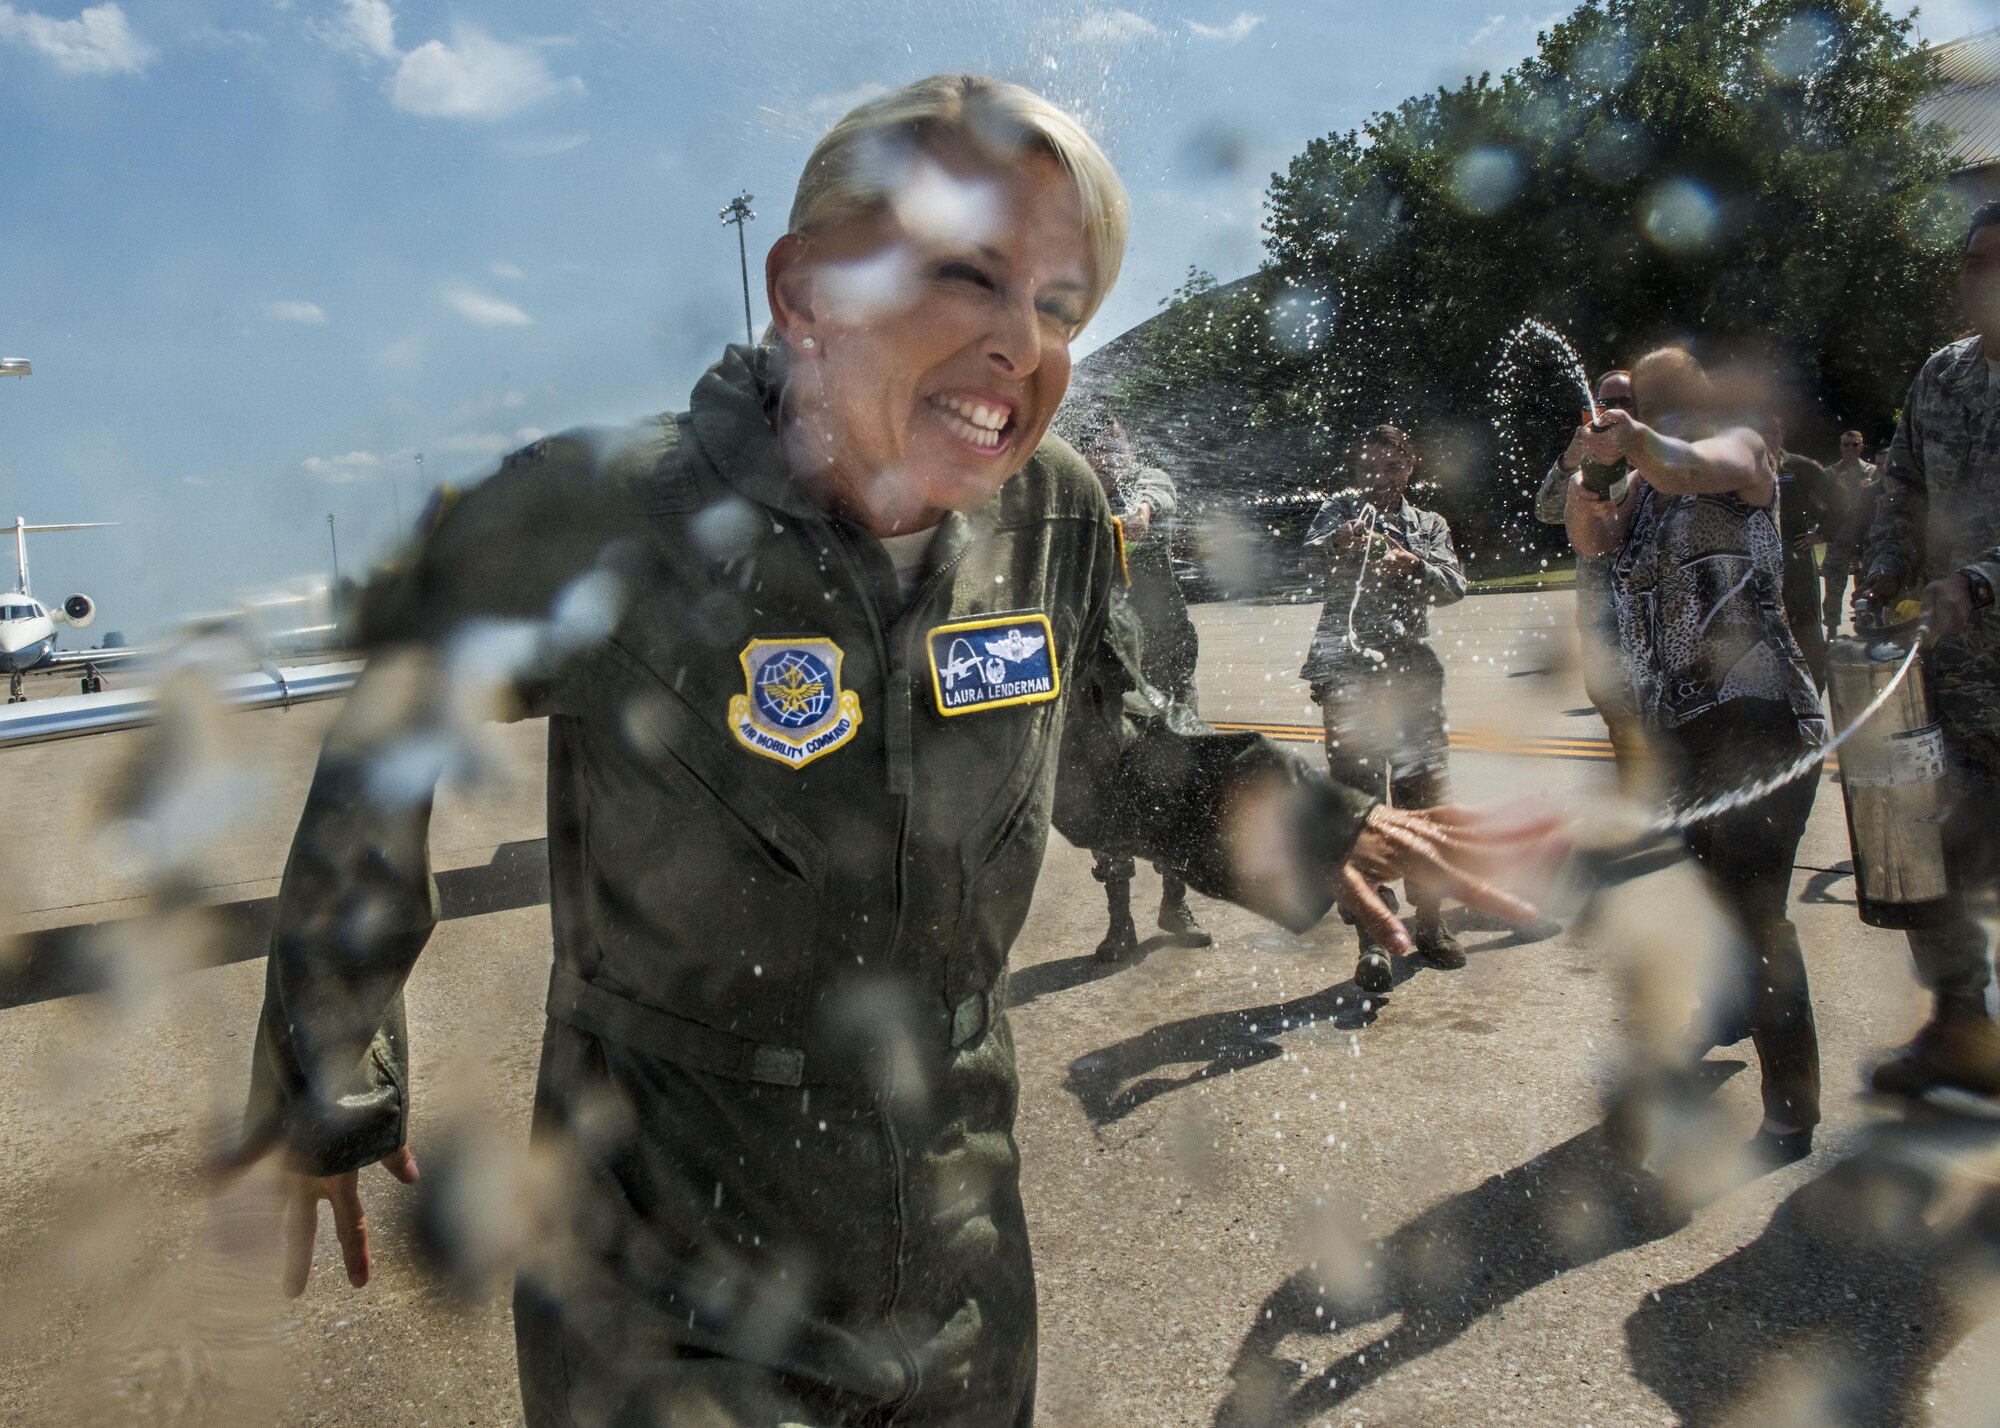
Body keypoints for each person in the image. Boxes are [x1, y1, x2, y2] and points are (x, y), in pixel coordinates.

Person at [230, 75, 1552, 1428]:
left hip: (959, 1252)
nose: (1018, 348)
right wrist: (331, 1065)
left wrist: (1311, 825)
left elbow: (1103, 751)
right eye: (968, 279)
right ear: (805, 293)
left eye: (1057, 310)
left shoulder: (1052, 512)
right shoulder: (608, 513)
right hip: (663, 1268)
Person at [1567, 346, 1827, 1163]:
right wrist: (1590, 471)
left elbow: (1686, 466)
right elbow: (1589, 538)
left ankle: (1792, 1111)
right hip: (1675, 737)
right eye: (1645, 396)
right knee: (1697, 911)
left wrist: (1638, 441)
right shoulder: (1639, 489)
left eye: (1670, 395)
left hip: (1759, 725)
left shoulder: (1741, 450)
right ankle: (1727, 1015)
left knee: (1754, 916)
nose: (1655, 408)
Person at [1854, 200, 2000, 1099]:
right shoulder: (1941, 376)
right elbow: (1901, 485)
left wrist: (1981, 582)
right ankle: (1962, 1028)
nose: (1987, 278)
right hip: (1943, 672)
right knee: (1925, 845)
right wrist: (1879, 571)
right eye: (1977, 262)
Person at [1301, 424, 1470, 995]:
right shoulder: (1335, 513)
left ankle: (1430, 921)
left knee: (1425, 804)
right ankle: (1372, 940)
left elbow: (1454, 586)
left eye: (1392, 466)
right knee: (1359, 810)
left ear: (1410, 468)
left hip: (1413, 681)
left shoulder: (1428, 525)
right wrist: (1339, 543)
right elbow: (1302, 566)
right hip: (1350, 679)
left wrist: (1411, 566)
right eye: (1370, 467)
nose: (1380, 477)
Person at [1062, 405, 1212, 960]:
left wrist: (1140, 512)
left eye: (1120, 440)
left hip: (1169, 662)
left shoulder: (1146, 482)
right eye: (1104, 443)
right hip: (1106, 670)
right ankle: (1119, 921)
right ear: (1087, 452)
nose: (1116, 451)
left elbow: (1157, 494)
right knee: (1112, 790)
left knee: (1181, 780)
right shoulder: (1075, 501)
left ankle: (1175, 903)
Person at [1535, 369, 1650, 791]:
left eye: (1624, 402)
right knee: (1614, 710)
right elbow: (1546, 510)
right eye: (1606, 402)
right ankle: (1636, 799)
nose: (1613, 410)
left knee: (1662, 719)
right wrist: (1570, 457)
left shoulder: (1658, 457)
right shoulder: (1587, 459)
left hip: (1653, 613)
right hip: (1602, 613)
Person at [1766, 415, 1835, 688]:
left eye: (1773, 431)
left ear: (1782, 433)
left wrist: (1821, 534)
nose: (1767, 437)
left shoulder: (1802, 468)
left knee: (1805, 630)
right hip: (1759, 563)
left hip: (1795, 560)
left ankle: (1815, 689)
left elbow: (1841, 505)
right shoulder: (1742, 469)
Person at [1820, 430, 1875, 639]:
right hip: (1838, 538)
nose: (1850, 449)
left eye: (1854, 444)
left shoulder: (1871, 472)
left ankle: (1866, 629)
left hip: (1864, 537)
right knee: (1833, 585)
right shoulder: (1830, 474)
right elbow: (1820, 505)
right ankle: (1832, 630)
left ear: (1862, 446)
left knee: (1866, 583)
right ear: (1840, 447)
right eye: (1846, 445)